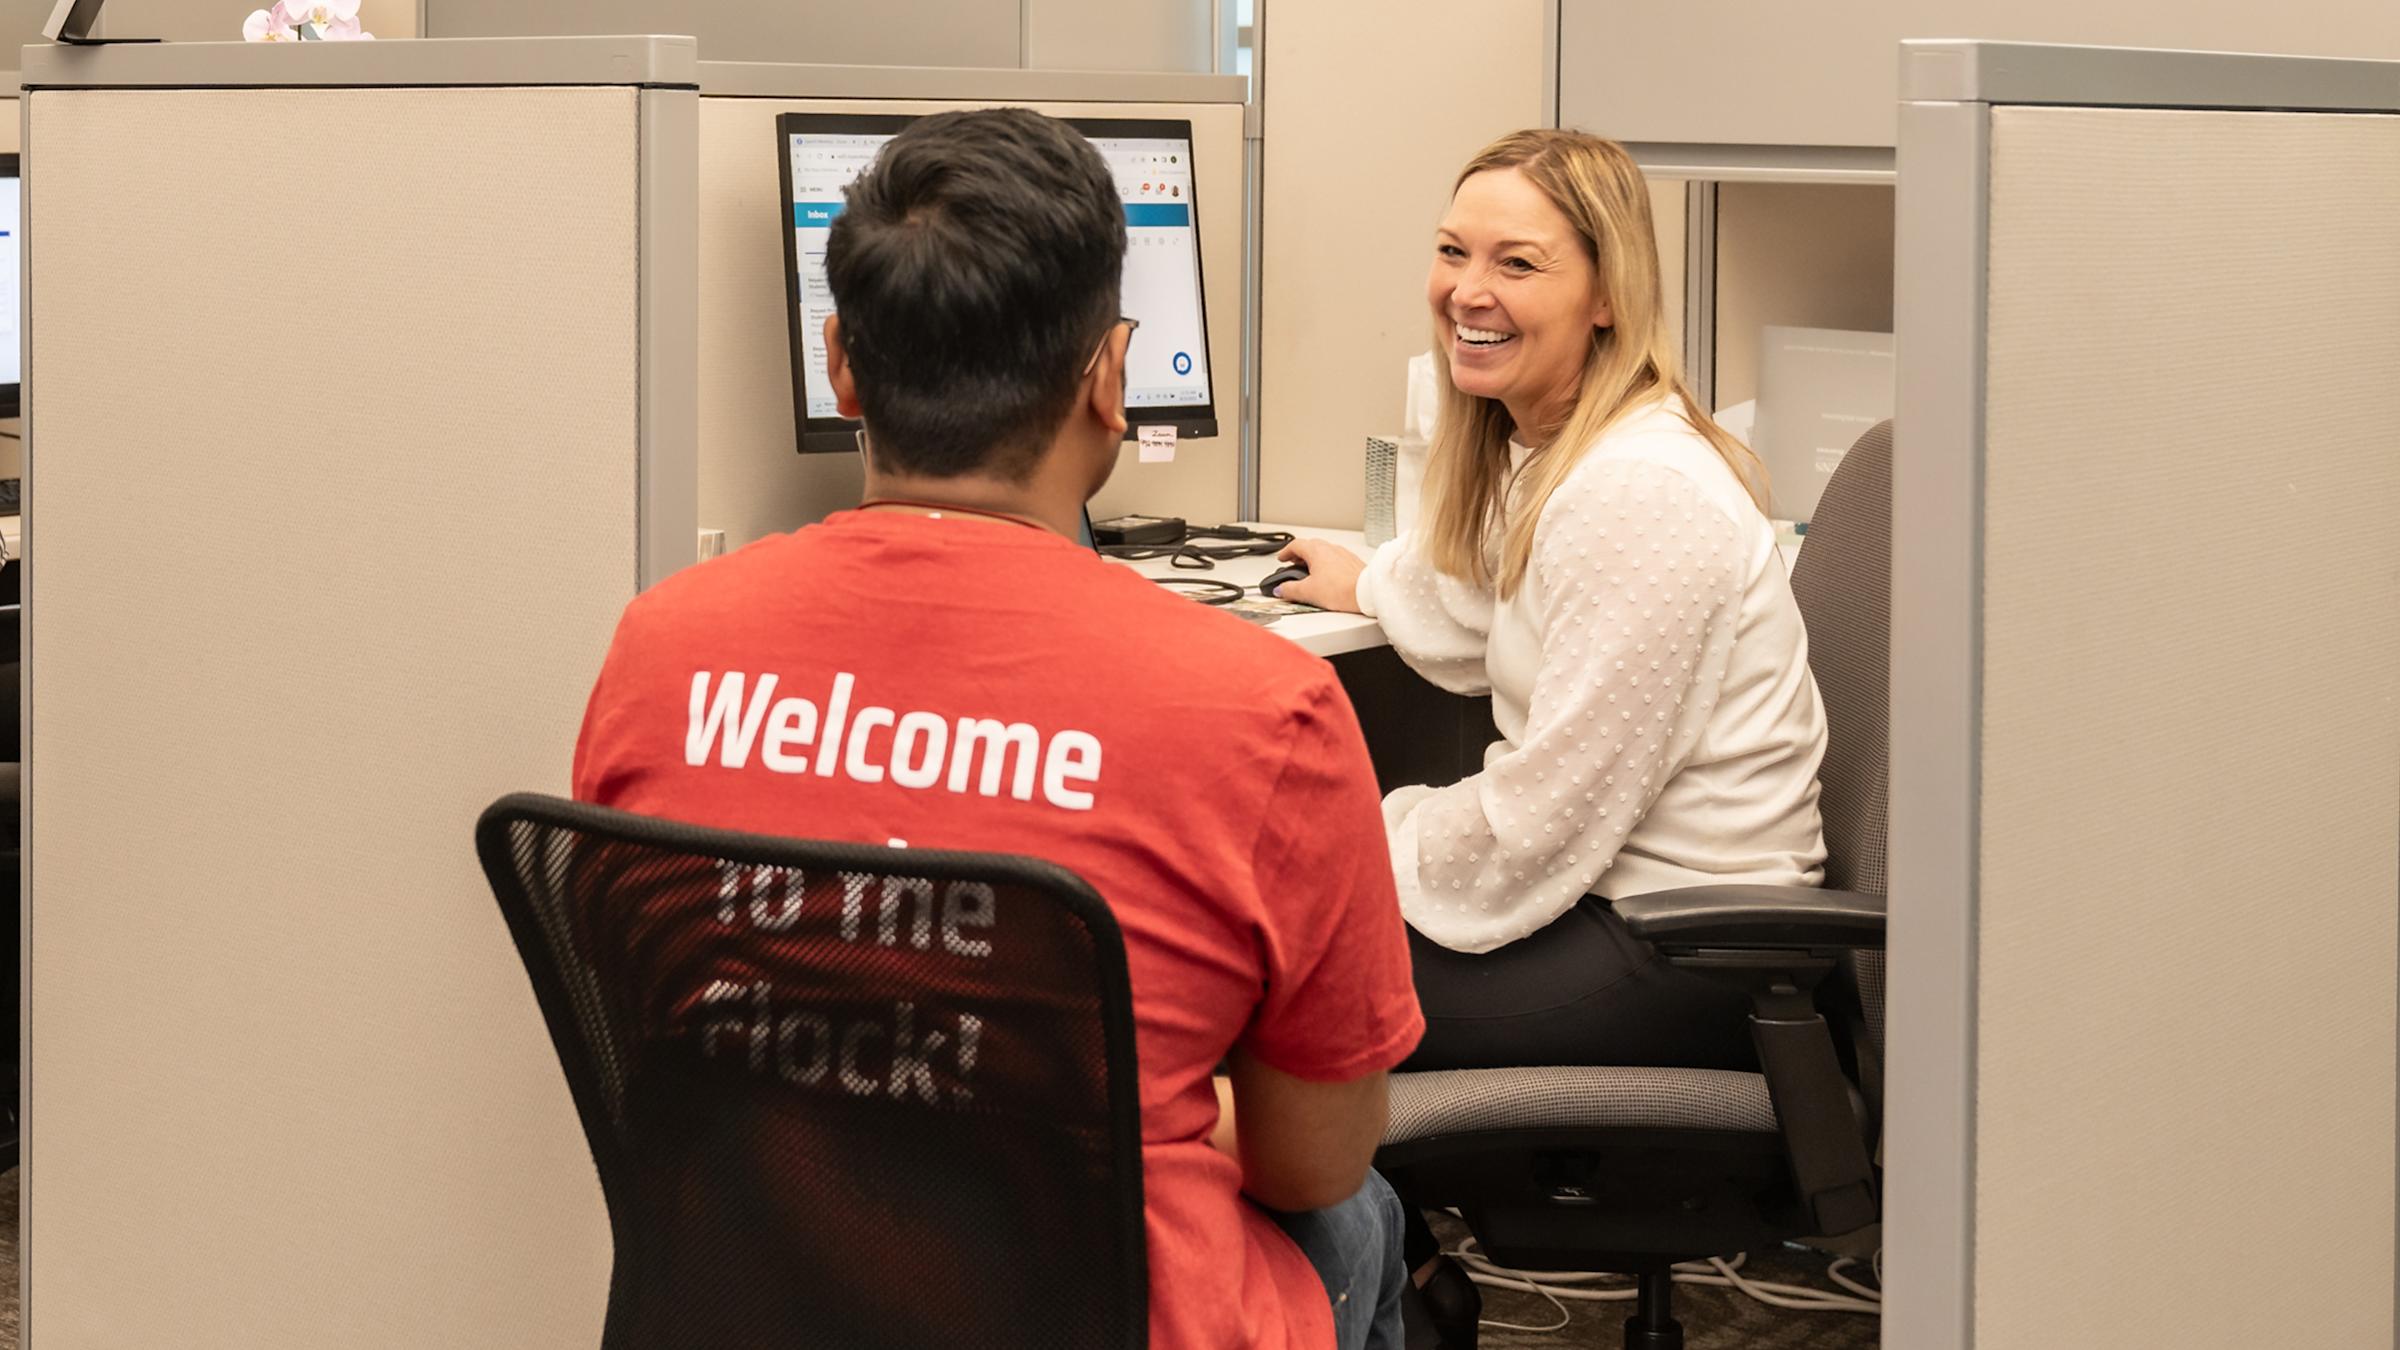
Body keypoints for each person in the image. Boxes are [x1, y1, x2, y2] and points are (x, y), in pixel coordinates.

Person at [571, 108, 1423, 1350]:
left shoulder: (661, 649)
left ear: (843, 366)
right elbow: (1314, 1161)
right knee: (1365, 1222)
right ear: (1109, 379)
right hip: (1108, 1317)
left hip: (771, 1298)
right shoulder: (1262, 707)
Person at [1277, 127, 1829, 1075]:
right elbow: (1489, 606)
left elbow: (1542, 820)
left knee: (1277, 991)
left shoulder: (1639, 495)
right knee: (1278, 951)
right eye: (1454, 252)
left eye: (1517, 264)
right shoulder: (1576, 458)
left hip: (1677, 953)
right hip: (1620, 910)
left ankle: (1357, 1229)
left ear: (1607, 296)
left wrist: (1354, 847)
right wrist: (1364, 581)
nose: (1468, 291)